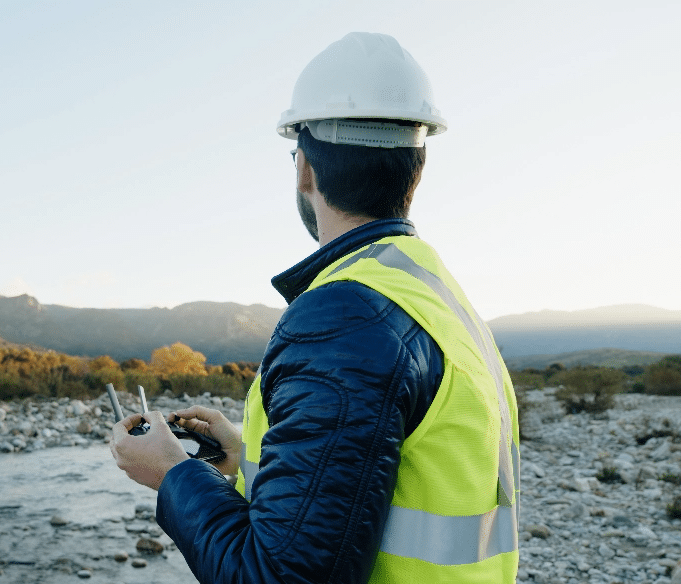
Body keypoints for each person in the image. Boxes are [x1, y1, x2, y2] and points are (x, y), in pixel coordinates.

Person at [111, 32, 520, 583]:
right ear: (415, 168)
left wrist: (174, 475)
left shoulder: (347, 318)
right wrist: (247, 455)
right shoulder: (433, 296)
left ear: (304, 168)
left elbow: (278, 577)